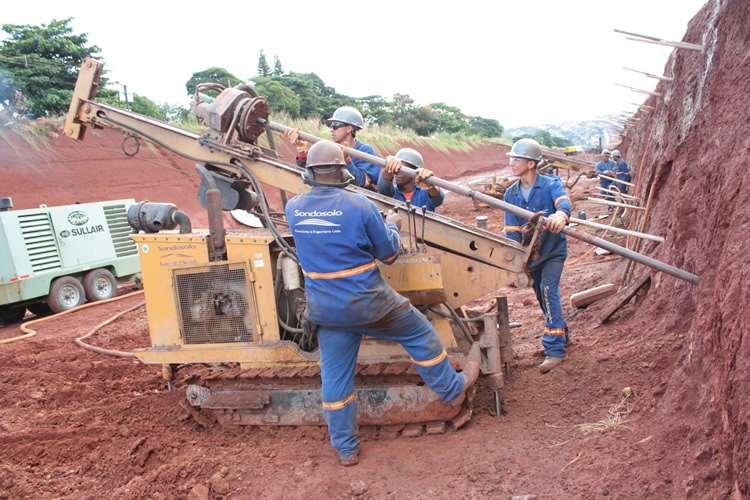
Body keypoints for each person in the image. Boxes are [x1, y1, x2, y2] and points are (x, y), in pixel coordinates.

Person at [284, 140, 480, 466]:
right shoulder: (359, 205)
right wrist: (391, 224)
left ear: (311, 173)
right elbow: (389, 254)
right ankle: (450, 388)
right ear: (342, 171)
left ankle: (345, 448)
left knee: (334, 378)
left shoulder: (294, 208)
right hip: (369, 302)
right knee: (419, 332)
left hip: (326, 309)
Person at [502, 138, 572, 374]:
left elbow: (563, 203)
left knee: (548, 290)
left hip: (553, 251)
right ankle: (561, 334)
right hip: (531, 257)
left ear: (531, 164)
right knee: (542, 298)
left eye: (516, 159)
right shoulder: (510, 194)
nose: (511, 163)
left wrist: (560, 216)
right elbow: (511, 231)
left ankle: (554, 350)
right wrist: (514, 259)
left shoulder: (551, 184)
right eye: (511, 158)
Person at [284, 106, 382, 189]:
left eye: (335, 126)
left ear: (349, 129)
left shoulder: (365, 150)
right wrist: (302, 150)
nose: (331, 130)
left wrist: (346, 160)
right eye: (331, 126)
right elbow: (312, 174)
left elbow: (364, 182)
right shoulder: (329, 149)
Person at [377, 148, 445, 211]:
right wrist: (388, 168)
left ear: (415, 171)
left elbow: (438, 198)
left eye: (402, 169)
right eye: (396, 169)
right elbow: (383, 188)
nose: (397, 172)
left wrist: (430, 184)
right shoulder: (392, 192)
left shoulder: (424, 194)